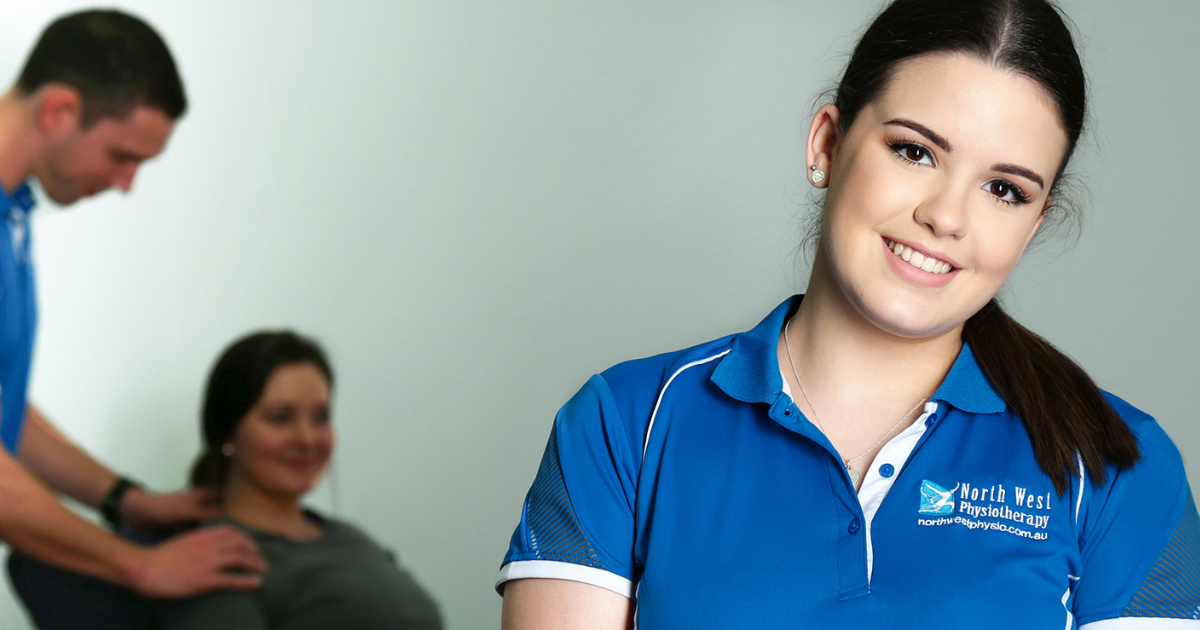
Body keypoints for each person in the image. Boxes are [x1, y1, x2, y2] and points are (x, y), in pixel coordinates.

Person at [497, 0, 1199, 627]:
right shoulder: (626, 423)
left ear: (1036, 221)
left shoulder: (1118, 466)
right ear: (826, 143)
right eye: (914, 151)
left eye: (1005, 190)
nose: (946, 217)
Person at [0, 9, 265, 596]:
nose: (126, 184)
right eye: (124, 156)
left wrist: (125, 500)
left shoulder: (11, 215)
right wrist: (138, 564)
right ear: (59, 111)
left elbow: (7, 412)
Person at [157, 331, 443, 629]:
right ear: (229, 433)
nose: (307, 438)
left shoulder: (351, 537)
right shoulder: (214, 555)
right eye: (280, 417)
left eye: (320, 417)